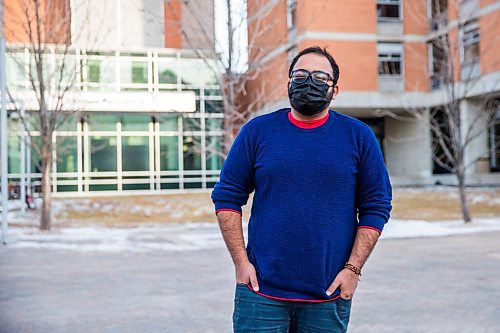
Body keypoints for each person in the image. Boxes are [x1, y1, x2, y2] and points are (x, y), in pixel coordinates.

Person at [211, 46, 393, 333]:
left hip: (328, 291)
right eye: (300, 75)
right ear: (288, 83)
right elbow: (226, 197)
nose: (309, 82)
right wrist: (240, 262)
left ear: (335, 90)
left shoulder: (359, 137)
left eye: (320, 77)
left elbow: (376, 206)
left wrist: (353, 270)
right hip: (260, 291)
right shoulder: (257, 132)